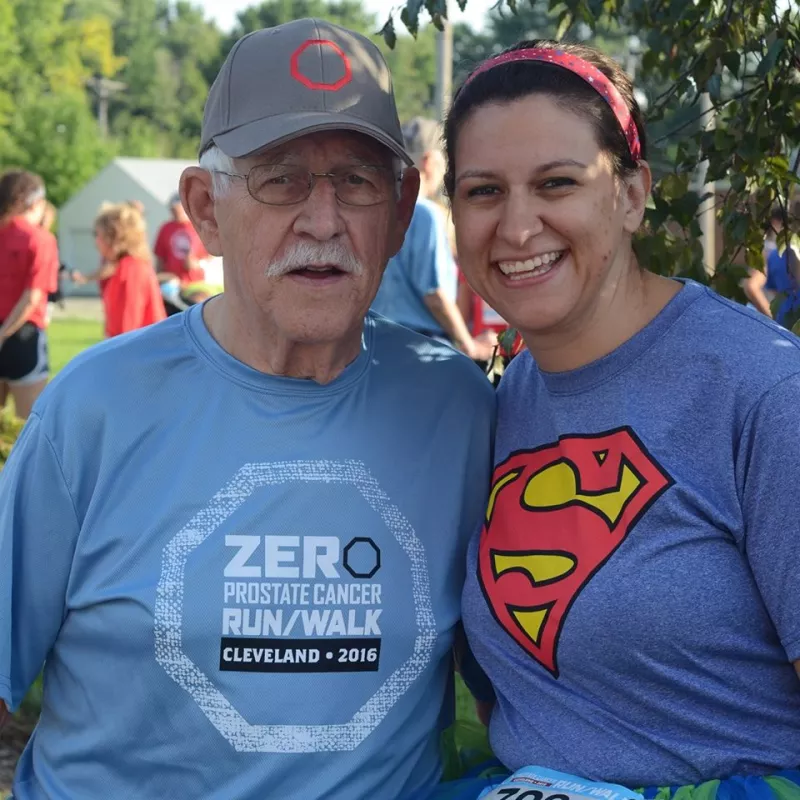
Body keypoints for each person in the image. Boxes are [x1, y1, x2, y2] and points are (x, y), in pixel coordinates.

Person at [0, 18, 495, 800]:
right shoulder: (92, 412)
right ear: (204, 209)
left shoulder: (458, 410)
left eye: (358, 181)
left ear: (400, 214)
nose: (324, 221)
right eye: (281, 178)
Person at [443, 40, 800, 799]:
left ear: (633, 194)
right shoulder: (503, 403)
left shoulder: (764, 391)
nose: (516, 227)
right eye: (482, 191)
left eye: (557, 183)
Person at [372, 116, 489, 361]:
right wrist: (468, 344)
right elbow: (434, 294)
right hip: (419, 349)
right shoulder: (425, 213)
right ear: (429, 161)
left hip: (374, 345)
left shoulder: (377, 210)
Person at [0, 170, 59, 419]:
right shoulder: (40, 238)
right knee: (30, 426)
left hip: (9, 329)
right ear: (36, 202)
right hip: (21, 335)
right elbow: (32, 297)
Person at [89, 201, 166, 336]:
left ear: (114, 238)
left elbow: (128, 329)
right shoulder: (127, 266)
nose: (96, 241)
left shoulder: (131, 270)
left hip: (142, 352)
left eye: (99, 235)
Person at [154, 190, 209, 285]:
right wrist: (158, 280)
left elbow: (210, 257)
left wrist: (197, 264)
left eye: (177, 209)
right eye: (172, 210)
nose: (175, 213)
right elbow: (160, 258)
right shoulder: (166, 228)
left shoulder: (200, 227)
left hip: (194, 283)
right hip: (171, 283)